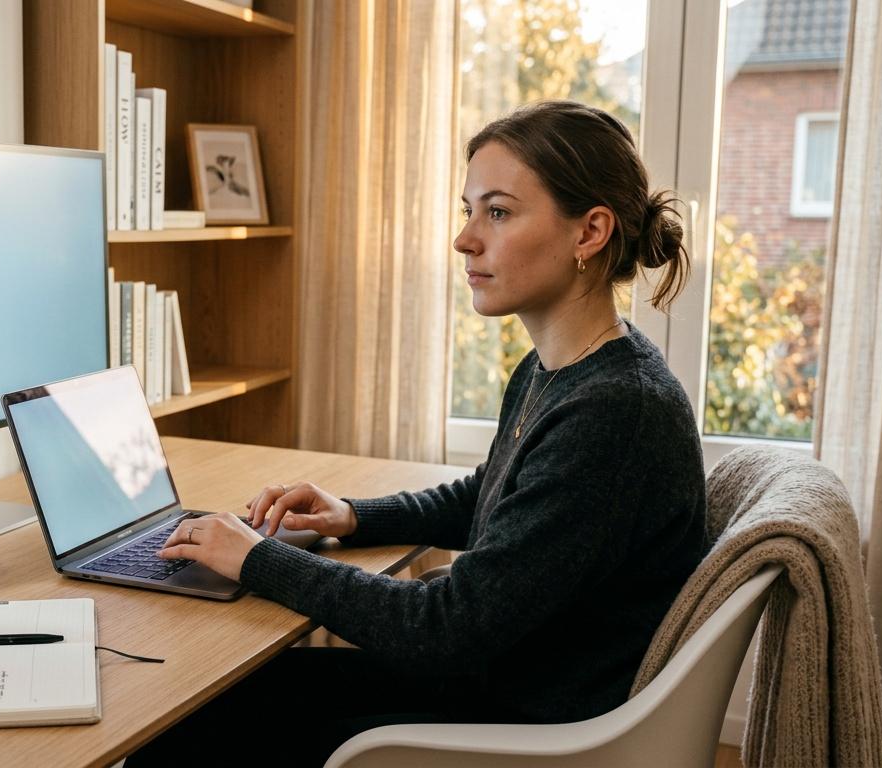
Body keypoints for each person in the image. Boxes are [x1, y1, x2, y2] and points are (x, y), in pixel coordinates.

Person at [127, 100, 710, 767]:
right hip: (501, 682)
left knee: (193, 736)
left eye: (498, 211)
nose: (465, 239)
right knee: (215, 709)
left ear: (590, 232)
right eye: (469, 211)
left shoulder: (614, 413)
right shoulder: (563, 371)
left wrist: (256, 559)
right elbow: (489, 496)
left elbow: (444, 629)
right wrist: (351, 517)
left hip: (523, 728)